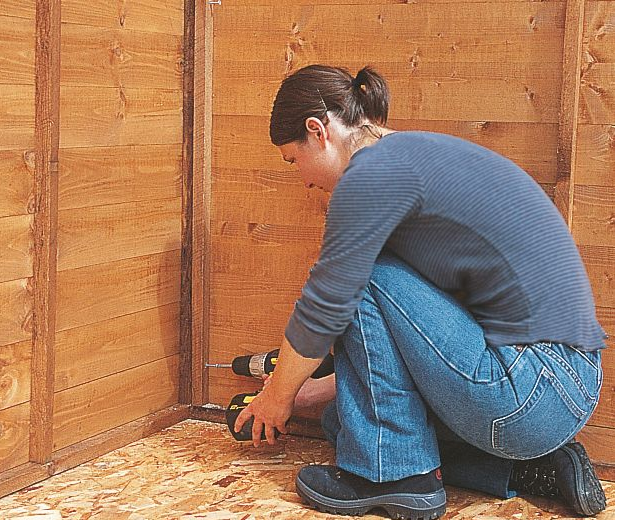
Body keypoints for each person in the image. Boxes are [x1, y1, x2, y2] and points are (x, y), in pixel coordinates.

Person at [233, 65, 608, 520]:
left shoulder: (369, 178)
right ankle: (531, 471)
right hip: (561, 387)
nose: (303, 179)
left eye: (294, 160)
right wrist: (309, 393)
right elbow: (416, 345)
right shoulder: (413, 159)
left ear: (318, 130)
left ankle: (397, 480)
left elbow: (325, 308)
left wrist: (277, 398)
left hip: (529, 390)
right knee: (348, 422)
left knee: (359, 279)